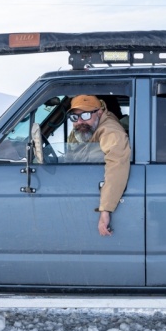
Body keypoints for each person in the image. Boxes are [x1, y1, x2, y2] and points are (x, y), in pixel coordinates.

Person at [67, 95, 131, 236]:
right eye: (75, 117)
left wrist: (105, 210)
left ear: (100, 113)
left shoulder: (110, 131)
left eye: (86, 115)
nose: (80, 121)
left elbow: (117, 165)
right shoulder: (83, 128)